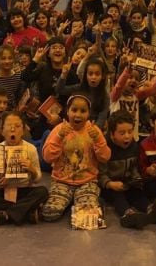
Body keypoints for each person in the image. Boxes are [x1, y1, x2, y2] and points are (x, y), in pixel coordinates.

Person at [40, 94, 111, 222]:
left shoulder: (93, 131)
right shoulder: (58, 130)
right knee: (49, 214)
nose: (78, 114)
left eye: (83, 111)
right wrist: (59, 137)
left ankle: (87, 200)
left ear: (89, 113)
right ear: (67, 111)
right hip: (61, 181)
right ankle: (71, 201)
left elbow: (105, 157)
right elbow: (47, 157)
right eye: (74, 110)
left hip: (87, 182)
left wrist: (98, 139)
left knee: (87, 217)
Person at [0, 112, 49, 228]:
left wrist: (32, 169)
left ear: (24, 130)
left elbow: (37, 179)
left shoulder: (30, 149)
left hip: (23, 191)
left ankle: (3, 216)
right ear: (2, 131)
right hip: (2, 192)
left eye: (17, 126)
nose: (13, 130)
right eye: (9, 126)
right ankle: (24, 213)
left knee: (42, 192)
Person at [99, 110, 156, 229]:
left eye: (130, 132)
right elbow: (100, 173)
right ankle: (128, 215)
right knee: (118, 197)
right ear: (112, 134)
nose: (127, 136)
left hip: (127, 182)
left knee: (137, 193)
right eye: (122, 133)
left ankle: (150, 209)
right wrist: (110, 184)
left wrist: (137, 178)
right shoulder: (105, 149)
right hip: (111, 186)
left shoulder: (134, 146)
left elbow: (135, 167)